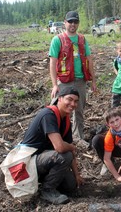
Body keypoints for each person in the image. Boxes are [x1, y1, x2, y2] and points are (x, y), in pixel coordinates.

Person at [20, 87, 84, 204]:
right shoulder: (48, 115)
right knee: (64, 155)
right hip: (28, 163)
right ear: (59, 98)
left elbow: (69, 148)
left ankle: (45, 182)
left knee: (71, 185)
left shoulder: (65, 120)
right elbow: (60, 147)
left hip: (44, 161)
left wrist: (77, 175)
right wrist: (72, 147)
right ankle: (47, 190)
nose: (73, 104)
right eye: (69, 99)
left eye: (75, 101)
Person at [49, 11, 96, 143]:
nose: (73, 24)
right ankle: (55, 139)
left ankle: (77, 138)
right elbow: (52, 63)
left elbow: (89, 59)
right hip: (63, 81)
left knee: (79, 110)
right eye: (70, 21)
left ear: (78, 23)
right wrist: (54, 85)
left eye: (75, 22)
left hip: (80, 81)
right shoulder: (57, 39)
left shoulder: (82, 39)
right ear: (65, 22)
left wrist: (93, 80)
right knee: (57, 110)